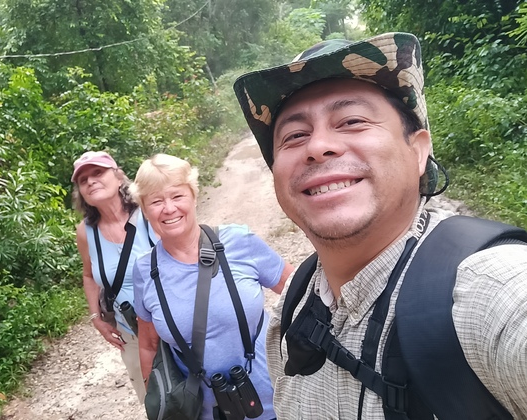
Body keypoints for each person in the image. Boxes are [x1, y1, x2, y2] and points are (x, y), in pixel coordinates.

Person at [233, 32, 527, 418]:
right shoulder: (290, 311)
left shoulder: (487, 292)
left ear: (419, 150)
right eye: (294, 135)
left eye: (352, 121)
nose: (318, 146)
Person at [129, 153, 294, 420]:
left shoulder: (239, 241)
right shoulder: (146, 270)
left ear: (193, 196)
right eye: (156, 201)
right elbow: (148, 344)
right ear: (144, 210)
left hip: (280, 398)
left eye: (177, 196)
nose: (169, 208)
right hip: (205, 411)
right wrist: (160, 402)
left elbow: (299, 292)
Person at [73, 151, 157, 403]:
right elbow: (89, 275)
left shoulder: (148, 210)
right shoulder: (85, 232)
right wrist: (95, 317)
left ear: (118, 177)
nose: (90, 181)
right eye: (83, 179)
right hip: (132, 336)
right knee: (159, 403)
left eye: (98, 172)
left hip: (176, 324)